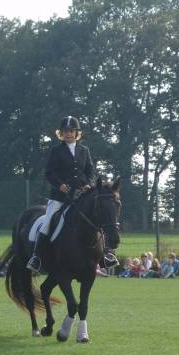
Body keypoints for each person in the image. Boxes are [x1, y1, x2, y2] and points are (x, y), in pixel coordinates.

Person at [26, 116, 118, 273]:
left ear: (77, 133)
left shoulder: (84, 150)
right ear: (61, 133)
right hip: (60, 197)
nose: (68, 133)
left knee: (97, 218)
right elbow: (49, 172)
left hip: (82, 195)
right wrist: (60, 185)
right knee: (48, 221)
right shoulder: (56, 151)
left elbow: (90, 170)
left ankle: (106, 255)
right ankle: (37, 257)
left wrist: (89, 183)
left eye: (71, 131)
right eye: (65, 131)